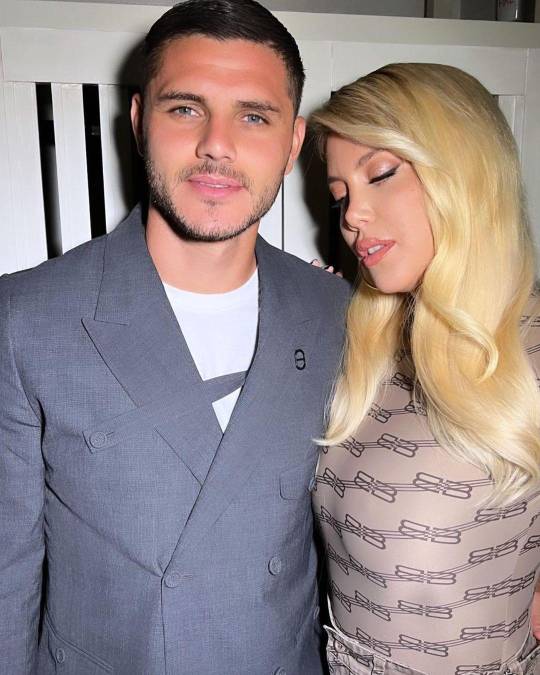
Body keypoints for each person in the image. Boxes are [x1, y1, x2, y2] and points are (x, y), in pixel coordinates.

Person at [0, 1, 349, 673]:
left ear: (293, 143)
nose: (217, 143)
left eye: (254, 116)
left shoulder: (337, 311)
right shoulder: (24, 318)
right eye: (186, 108)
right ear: (139, 122)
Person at [310, 63, 540, 675]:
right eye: (340, 194)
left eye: (381, 174)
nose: (352, 215)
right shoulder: (365, 344)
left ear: (464, 171)